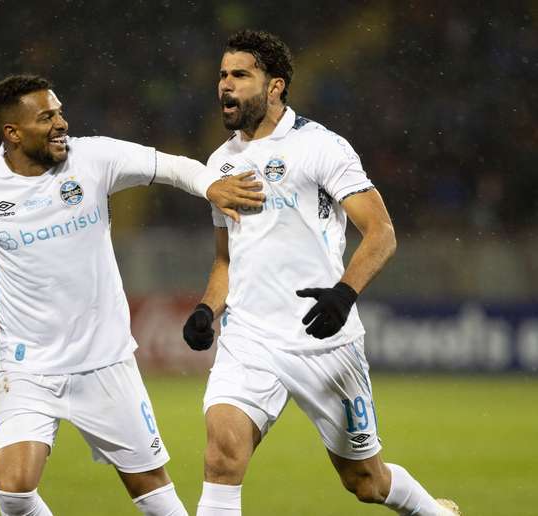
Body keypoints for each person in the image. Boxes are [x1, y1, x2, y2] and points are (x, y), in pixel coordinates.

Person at [0, 74, 265, 516]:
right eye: (46, 117)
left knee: (153, 492)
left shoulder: (93, 158)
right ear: (13, 133)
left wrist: (209, 186)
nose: (61, 123)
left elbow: (170, 165)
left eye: (60, 112)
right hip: (27, 367)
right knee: (14, 492)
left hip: (105, 362)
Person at [182, 30, 461, 516]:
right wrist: (208, 308)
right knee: (222, 458)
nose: (225, 84)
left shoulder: (321, 147)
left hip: (323, 339)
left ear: (274, 86)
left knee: (366, 482)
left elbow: (381, 233)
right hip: (250, 339)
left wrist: (344, 294)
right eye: (222, 75)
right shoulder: (220, 163)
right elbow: (227, 258)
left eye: (240, 75)